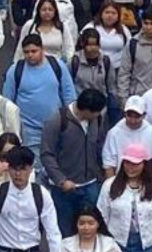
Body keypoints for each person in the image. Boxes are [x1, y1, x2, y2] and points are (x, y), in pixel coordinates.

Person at [39, 89, 107, 237]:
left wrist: (101, 173)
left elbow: (100, 146)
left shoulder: (97, 120)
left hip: (91, 184)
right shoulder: (57, 121)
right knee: (66, 232)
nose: (97, 116)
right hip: (65, 189)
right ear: (86, 111)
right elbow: (46, 154)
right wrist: (61, 180)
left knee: (91, 230)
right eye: (95, 112)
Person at [3, 35, 78, 160]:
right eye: (26, 52)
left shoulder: (57, 66)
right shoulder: (15, 70)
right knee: (33, 167)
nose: (30, 55)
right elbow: (7, 102)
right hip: (28, 132)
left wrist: (70, 125)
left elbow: (69, 96)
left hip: (56, 129)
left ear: (42, 49)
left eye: (34, 51)